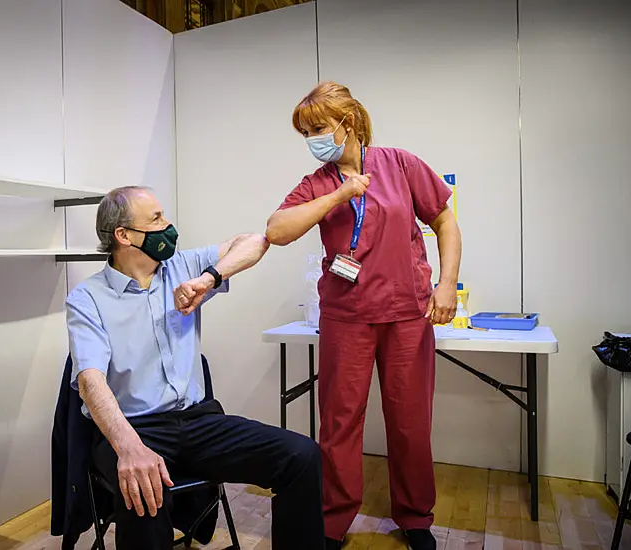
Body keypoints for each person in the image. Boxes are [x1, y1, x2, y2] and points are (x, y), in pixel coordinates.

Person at [66, 185, 326, 550]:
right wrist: (130, 448)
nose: (169, 225)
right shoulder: (87, 298)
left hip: (197, 422)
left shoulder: (181, 268)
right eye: (156, 219)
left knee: (302, 456)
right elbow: (91, 382)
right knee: (144, 494)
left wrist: (209, 279)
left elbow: (254, 241)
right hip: (133, 427)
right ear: (124, 236)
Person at [266, 82, 463, 550]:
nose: (313, 139)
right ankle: (332, 523)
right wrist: (339, 195)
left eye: (317, 128)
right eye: (306, 133)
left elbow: (445, 221)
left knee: (411, 422)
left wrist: (447, 283)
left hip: (406, 314)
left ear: (347, 123)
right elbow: (277, 229)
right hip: (346, 317)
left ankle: (416, 519)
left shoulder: (400, 164)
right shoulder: (317, 182)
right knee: (339, 423)